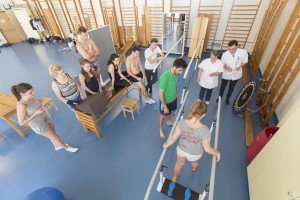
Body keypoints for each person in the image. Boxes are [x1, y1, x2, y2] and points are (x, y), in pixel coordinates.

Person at [163, 101, 220, 182]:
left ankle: (174, 178)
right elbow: (207, 149)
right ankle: (194, 169)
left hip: (181, 150)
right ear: (203, 115)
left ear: (192, 110)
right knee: (194, 162)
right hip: (195, 154)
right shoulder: (205, 130)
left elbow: (173, 138)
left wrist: (166, 144)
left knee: (178, 164)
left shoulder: (182, 122)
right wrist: (217, 153)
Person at [11, 83, 78, 152]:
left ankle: (57, 146)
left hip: (45, 117)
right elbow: (21, 123)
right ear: (22, 94)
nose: (33, 93)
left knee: (54, 135)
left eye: (33, 91)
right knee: (56, 138)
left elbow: (33, 106)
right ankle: (67, 148)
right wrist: (36, 114)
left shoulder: (30, 97)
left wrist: (38, 101)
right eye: (30, 93)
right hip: (38, 124)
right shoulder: (21, 106)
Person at [159, 58, 187, 139]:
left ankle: (169, 121)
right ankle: (160, 129)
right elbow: (160, 93)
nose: (181, 73)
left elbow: (174, 85)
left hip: (173, 99)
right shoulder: (165, 76)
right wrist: (164, 106)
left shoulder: (175, 74)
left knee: (170, 111)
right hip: (165, 101)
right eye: (180, 70)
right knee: (162, 116)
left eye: (182, 71)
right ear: (174, 67)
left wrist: (176, 93)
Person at [218, 40, 248, 105]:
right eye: (229, 49)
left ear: (237, 46)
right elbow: (222, 63)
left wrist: (240, 66)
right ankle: (220, 97)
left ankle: (227, 98)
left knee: (231, 88)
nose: (231, 51)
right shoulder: (225, 54)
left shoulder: (243, 52)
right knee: (223, 86)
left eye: (233, 49)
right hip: (226, 73)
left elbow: (245, 61)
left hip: (236, 74)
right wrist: (227, 68)